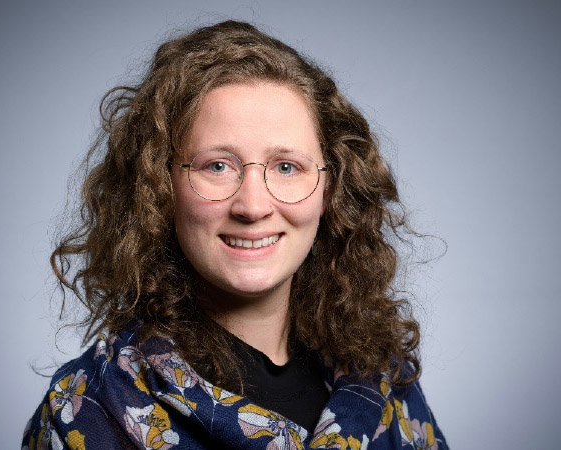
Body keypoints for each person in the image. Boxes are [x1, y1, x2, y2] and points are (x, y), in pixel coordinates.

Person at [23, 20, 448, 450]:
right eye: (217, 166)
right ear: (159, 188)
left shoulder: (385, 386)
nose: (253, 206)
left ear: (330, 190)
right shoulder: (85, 409)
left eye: (287, 167)